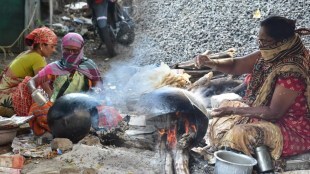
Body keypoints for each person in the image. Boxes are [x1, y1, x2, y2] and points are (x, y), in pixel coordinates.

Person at [194, 16, 310, 160]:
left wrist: (234, 111)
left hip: (292, 129)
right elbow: (236, 65)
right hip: (268, 116)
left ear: (281, 42)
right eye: (259, 40)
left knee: (239, 134)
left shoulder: (292, 72)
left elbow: (274, 112)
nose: (260, 45)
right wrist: (211, 63)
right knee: (225, 106)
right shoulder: (273, 53)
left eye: (264, 41)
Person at [27, 32, 102, 136]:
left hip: (83, 108)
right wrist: (35, 92)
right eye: (67, 50)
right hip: (59, 108)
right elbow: (31, 82)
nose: (70, 53)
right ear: (62, 49)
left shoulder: (89, 66)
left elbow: (98, 85)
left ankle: (74, 129)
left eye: (75, 51)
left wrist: (96, 92)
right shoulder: (54, 67)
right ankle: (64, 130)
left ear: (81, 50)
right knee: (37, 109)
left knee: (106, 112)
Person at [0, 27, 57, 117]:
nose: (54, 50)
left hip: (3, 95)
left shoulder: (27, 53)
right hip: (6, 100)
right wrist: (54, 103)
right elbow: (45, 87)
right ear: (42, 45)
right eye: (52, 46)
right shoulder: (37, 58)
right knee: (32, 83)